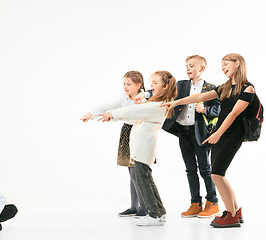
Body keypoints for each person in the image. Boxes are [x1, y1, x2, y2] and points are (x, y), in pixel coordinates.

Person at [161, 53, 254, 228]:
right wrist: (176, 103)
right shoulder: (225, 87)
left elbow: (233, 114)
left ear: (238, 64)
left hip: (231, 134)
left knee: (215, 174)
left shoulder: (248, 88)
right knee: (217, 174)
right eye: (222, 64)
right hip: (219, 134)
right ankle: (233, 211)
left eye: (226, 64)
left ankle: (230, 214)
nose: (223, 67)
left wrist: (217, 132)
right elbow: (199, 97)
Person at [99, 71, 177, 226]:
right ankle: (160, 212)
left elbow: (133, 112)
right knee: (147, 180)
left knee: (142, 181)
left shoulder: (157, 105)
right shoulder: (156, 102)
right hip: (143, 148)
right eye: (151, 82)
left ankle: (154, 215)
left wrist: (112, 115)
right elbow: (137, 111)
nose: (151, 86)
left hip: (143, 149)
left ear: (165, 85)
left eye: (155, 83)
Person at [80, 71, 151, 217]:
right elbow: (106, 105)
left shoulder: (145, 98)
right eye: (124, 84)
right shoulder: (123, 97)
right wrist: (90, 114)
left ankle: (144, 207)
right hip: (127, 131)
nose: (125, 87)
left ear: (138, 85)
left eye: (129, 84)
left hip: (139, 132)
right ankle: (134, 206)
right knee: (130, 171)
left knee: (138, 172)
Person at [162, 55, 220, 218]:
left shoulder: (211, 88)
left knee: (205, 168)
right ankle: (195, 203)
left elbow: (218, 110)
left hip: (200, 132)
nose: (188, 68)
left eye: (192, 66)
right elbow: (161, 91)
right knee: (190, 169)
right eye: (186, 66)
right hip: (182, 131)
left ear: (202, 68)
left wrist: (205, 110)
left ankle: (212, 202)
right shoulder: (180, 85)